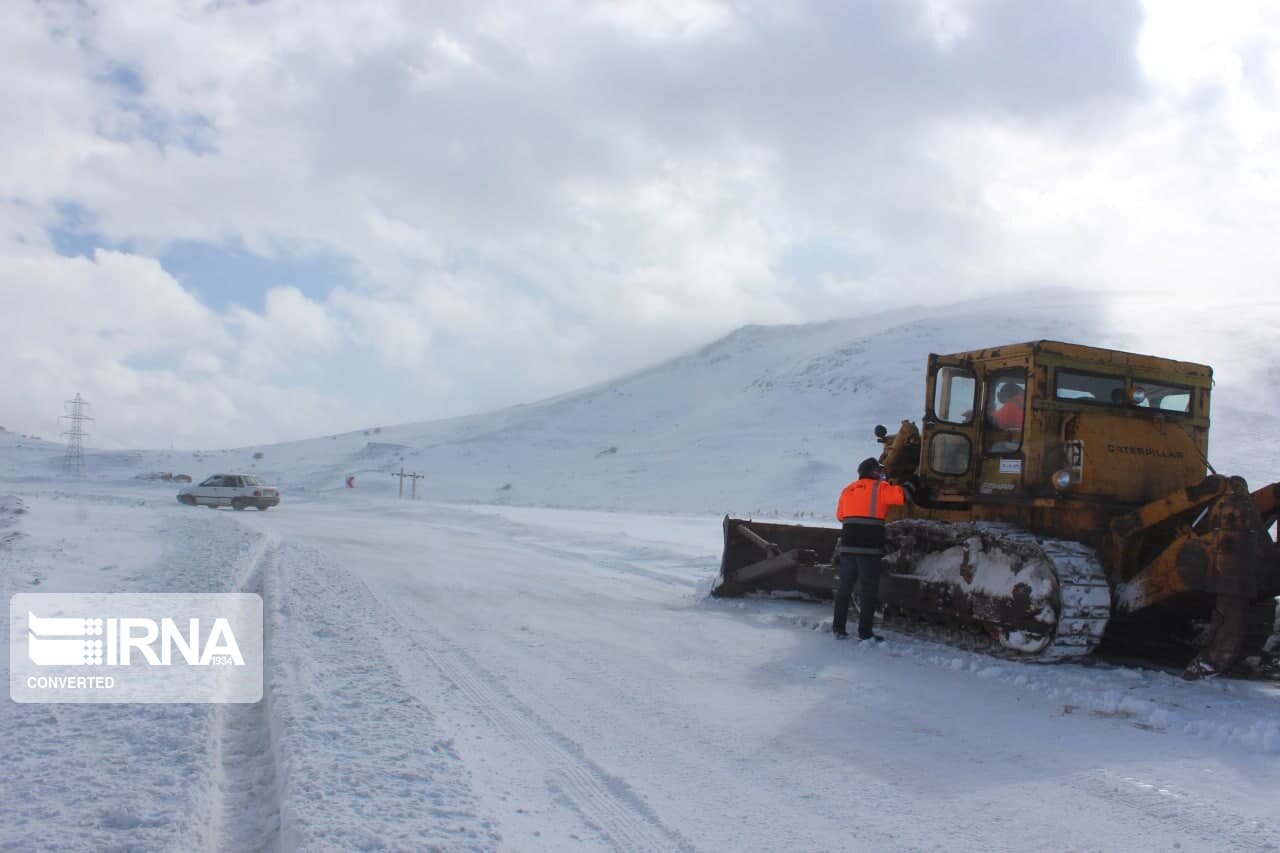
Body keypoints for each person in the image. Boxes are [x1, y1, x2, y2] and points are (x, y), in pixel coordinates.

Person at [833, 457, 913, 642]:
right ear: (874, 472)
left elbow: (840, 516)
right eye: (880, 470)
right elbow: (904, 495)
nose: (882, 474)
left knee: (844, 590)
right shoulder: (881, 488)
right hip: (868, 550)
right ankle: (865, 632)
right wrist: (912, 480)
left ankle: (838, 629)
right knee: (868, 592)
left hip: (847, 548)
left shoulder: (847, 489)